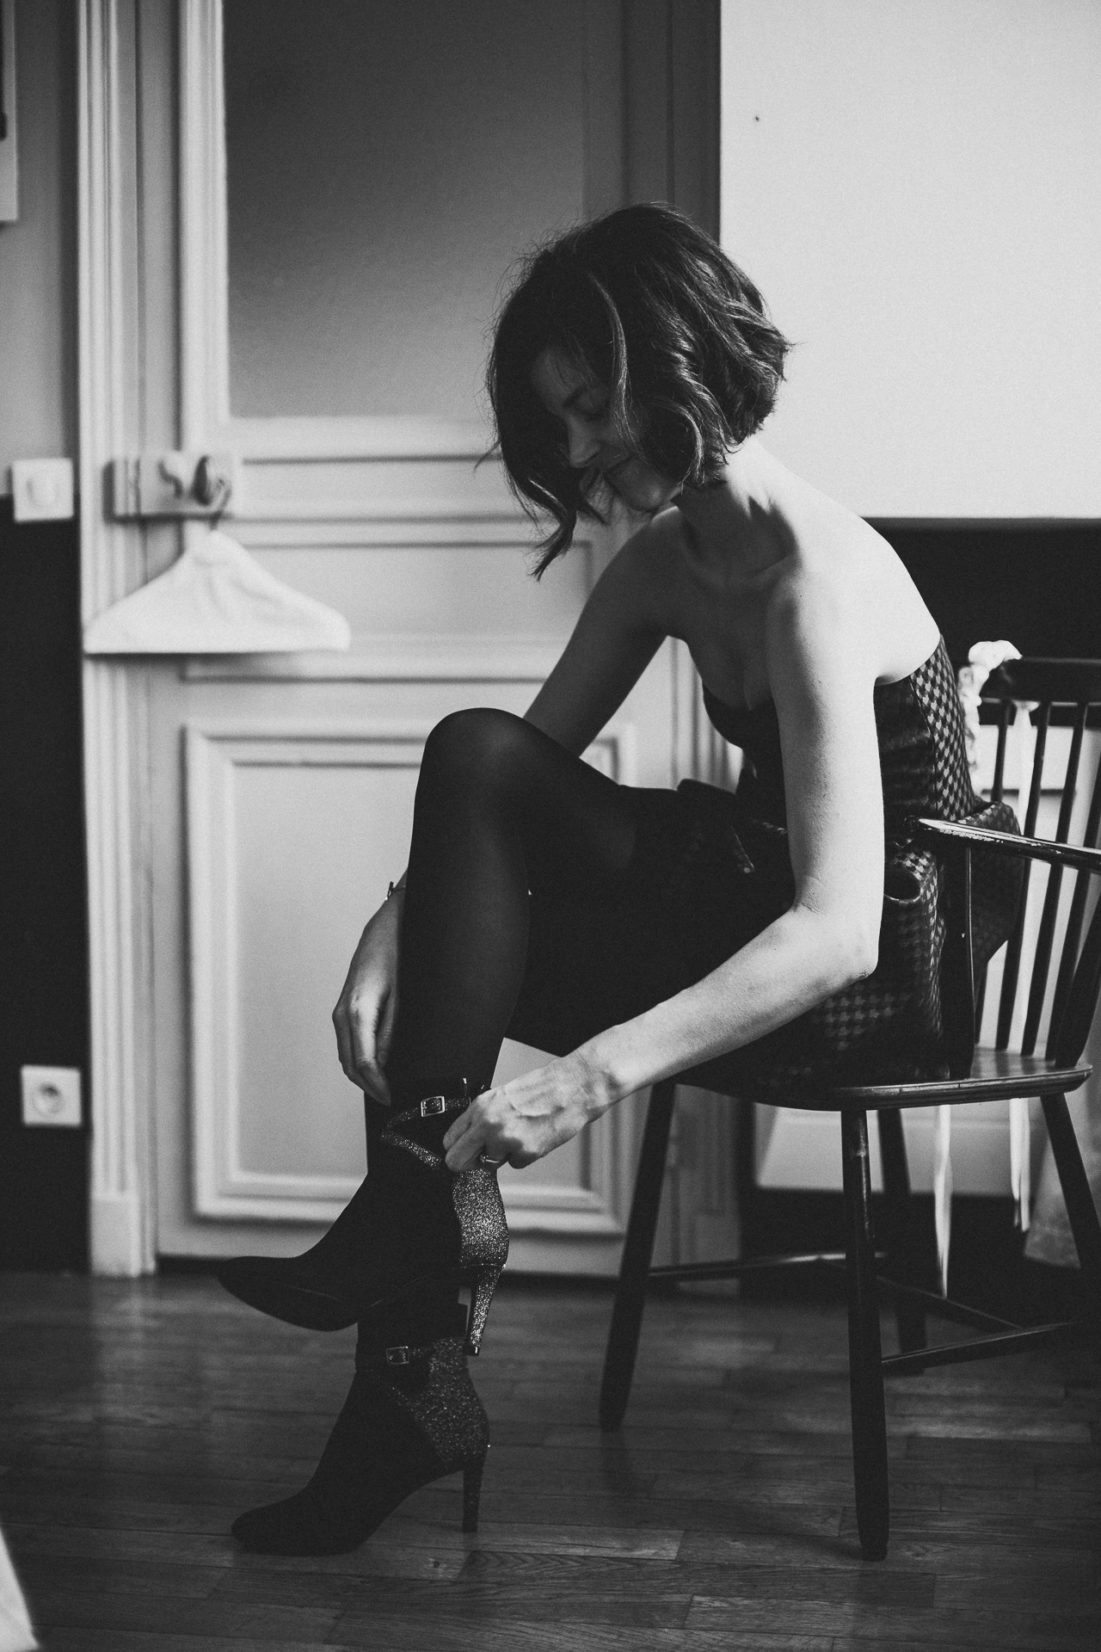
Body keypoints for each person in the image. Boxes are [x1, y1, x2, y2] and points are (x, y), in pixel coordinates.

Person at [217, 203, 1017, 1555]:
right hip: (762, 904)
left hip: (880, 973)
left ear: (679, 355)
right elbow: (497, 787)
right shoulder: (670, 563)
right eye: (562, 424)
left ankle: (405, 1325)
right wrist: (390, 927)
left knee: (461, 942)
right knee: (471, 763)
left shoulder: (815, 583)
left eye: (594, 407)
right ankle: (409, 1349)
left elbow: (838, 929)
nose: (583, 452)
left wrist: (587, 1079)